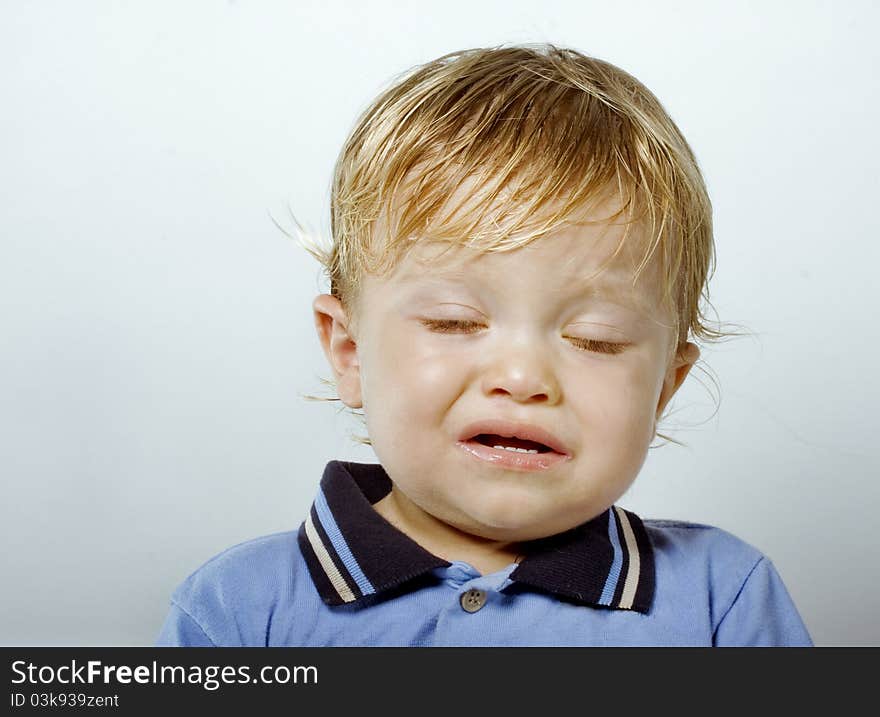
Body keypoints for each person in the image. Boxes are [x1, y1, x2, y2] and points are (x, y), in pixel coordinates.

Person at [156, 43, 812, 646]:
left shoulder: (720, 599)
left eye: (596, 338)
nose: (523, 375)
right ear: (351, 353)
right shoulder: (239, 611)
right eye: (454, 321)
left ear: (664, 387)